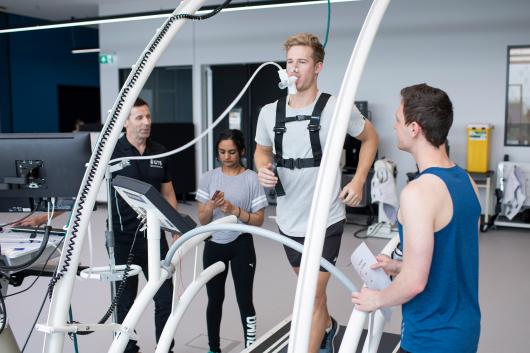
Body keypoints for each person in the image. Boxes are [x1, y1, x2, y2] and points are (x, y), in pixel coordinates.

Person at [254, 33, 379, 353]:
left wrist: (359, 180)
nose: (293, 69)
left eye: (302, 62)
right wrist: (263, 168)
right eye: (290, 62)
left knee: (310, 296)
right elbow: (261, 151)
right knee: (314, 295)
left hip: (326, 219)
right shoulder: (269, 112)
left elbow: (370, 139)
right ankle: (328, 326)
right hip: (288, 219)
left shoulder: (336, 107)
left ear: (318, 67)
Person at [351, 84, 481, 353]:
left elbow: (415, 283)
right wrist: (399, 267)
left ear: (414, 128)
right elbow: (449, 260)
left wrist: (377, 299)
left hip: (431, 338)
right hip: (464, 330)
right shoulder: (467, 181)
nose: (395, 126)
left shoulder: (418, 192)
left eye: (398, 120)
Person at [110, 97, 178, 353]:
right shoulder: (112, 153)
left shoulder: (160, 151)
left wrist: (175, 227)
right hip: (123, 239)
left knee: (164, 298)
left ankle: (164, 347)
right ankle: (128, 349)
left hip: (155, 237)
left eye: (148, 116)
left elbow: (168, 194)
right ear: (125, 121)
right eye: (139, 117)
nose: (146, 122)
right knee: (125, 301)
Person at [196, 129, 268, 353]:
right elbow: (203, 220)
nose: (226, 157)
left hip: (241, 245)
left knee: (245, 300)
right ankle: (213, 348)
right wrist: (211, 206)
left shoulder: (252, 179)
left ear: (242, 151)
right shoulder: (209, 177)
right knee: (214, 300)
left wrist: (235, 210)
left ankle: (250, 346)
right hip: (214, 245)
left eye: (232, 152)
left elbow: (258, 221)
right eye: (222, 152)